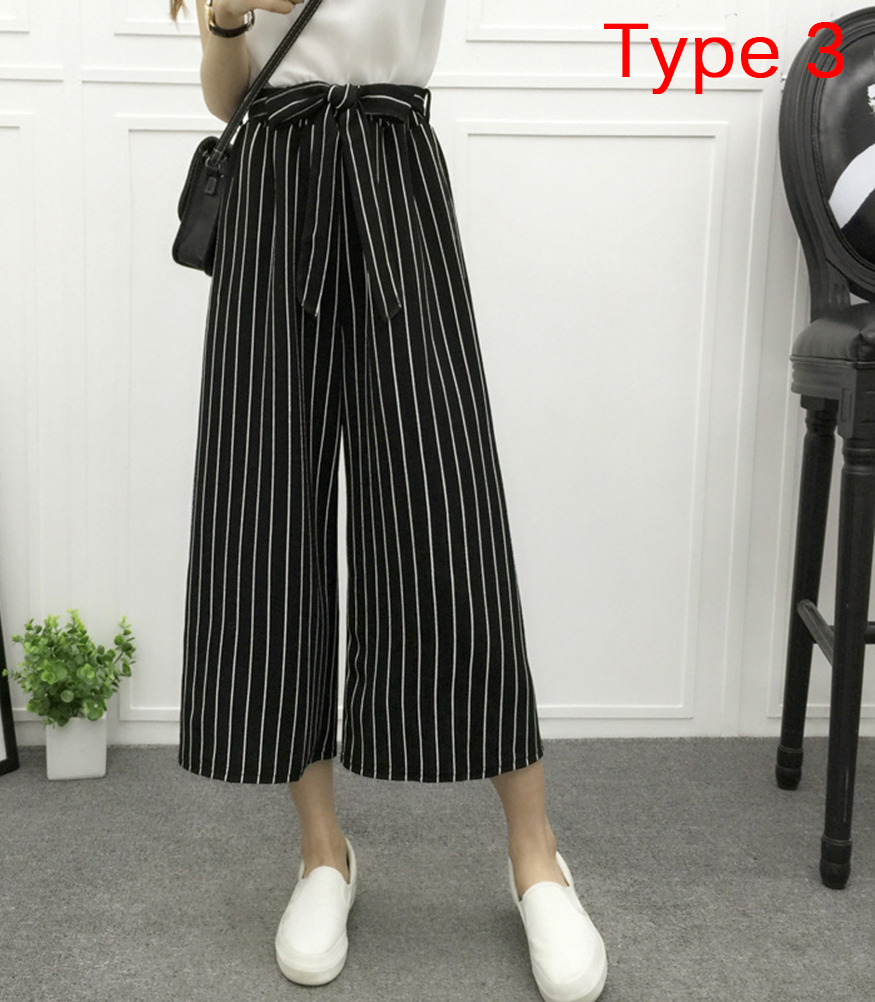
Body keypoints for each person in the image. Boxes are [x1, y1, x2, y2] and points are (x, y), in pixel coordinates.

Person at [171, 2, 608, 999]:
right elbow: (230, 98)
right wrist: (227, 21)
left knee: (448, 504)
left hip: (390, 170)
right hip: (272, 196)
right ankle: (323, 851)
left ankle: (535, 853)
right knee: (267, 508)